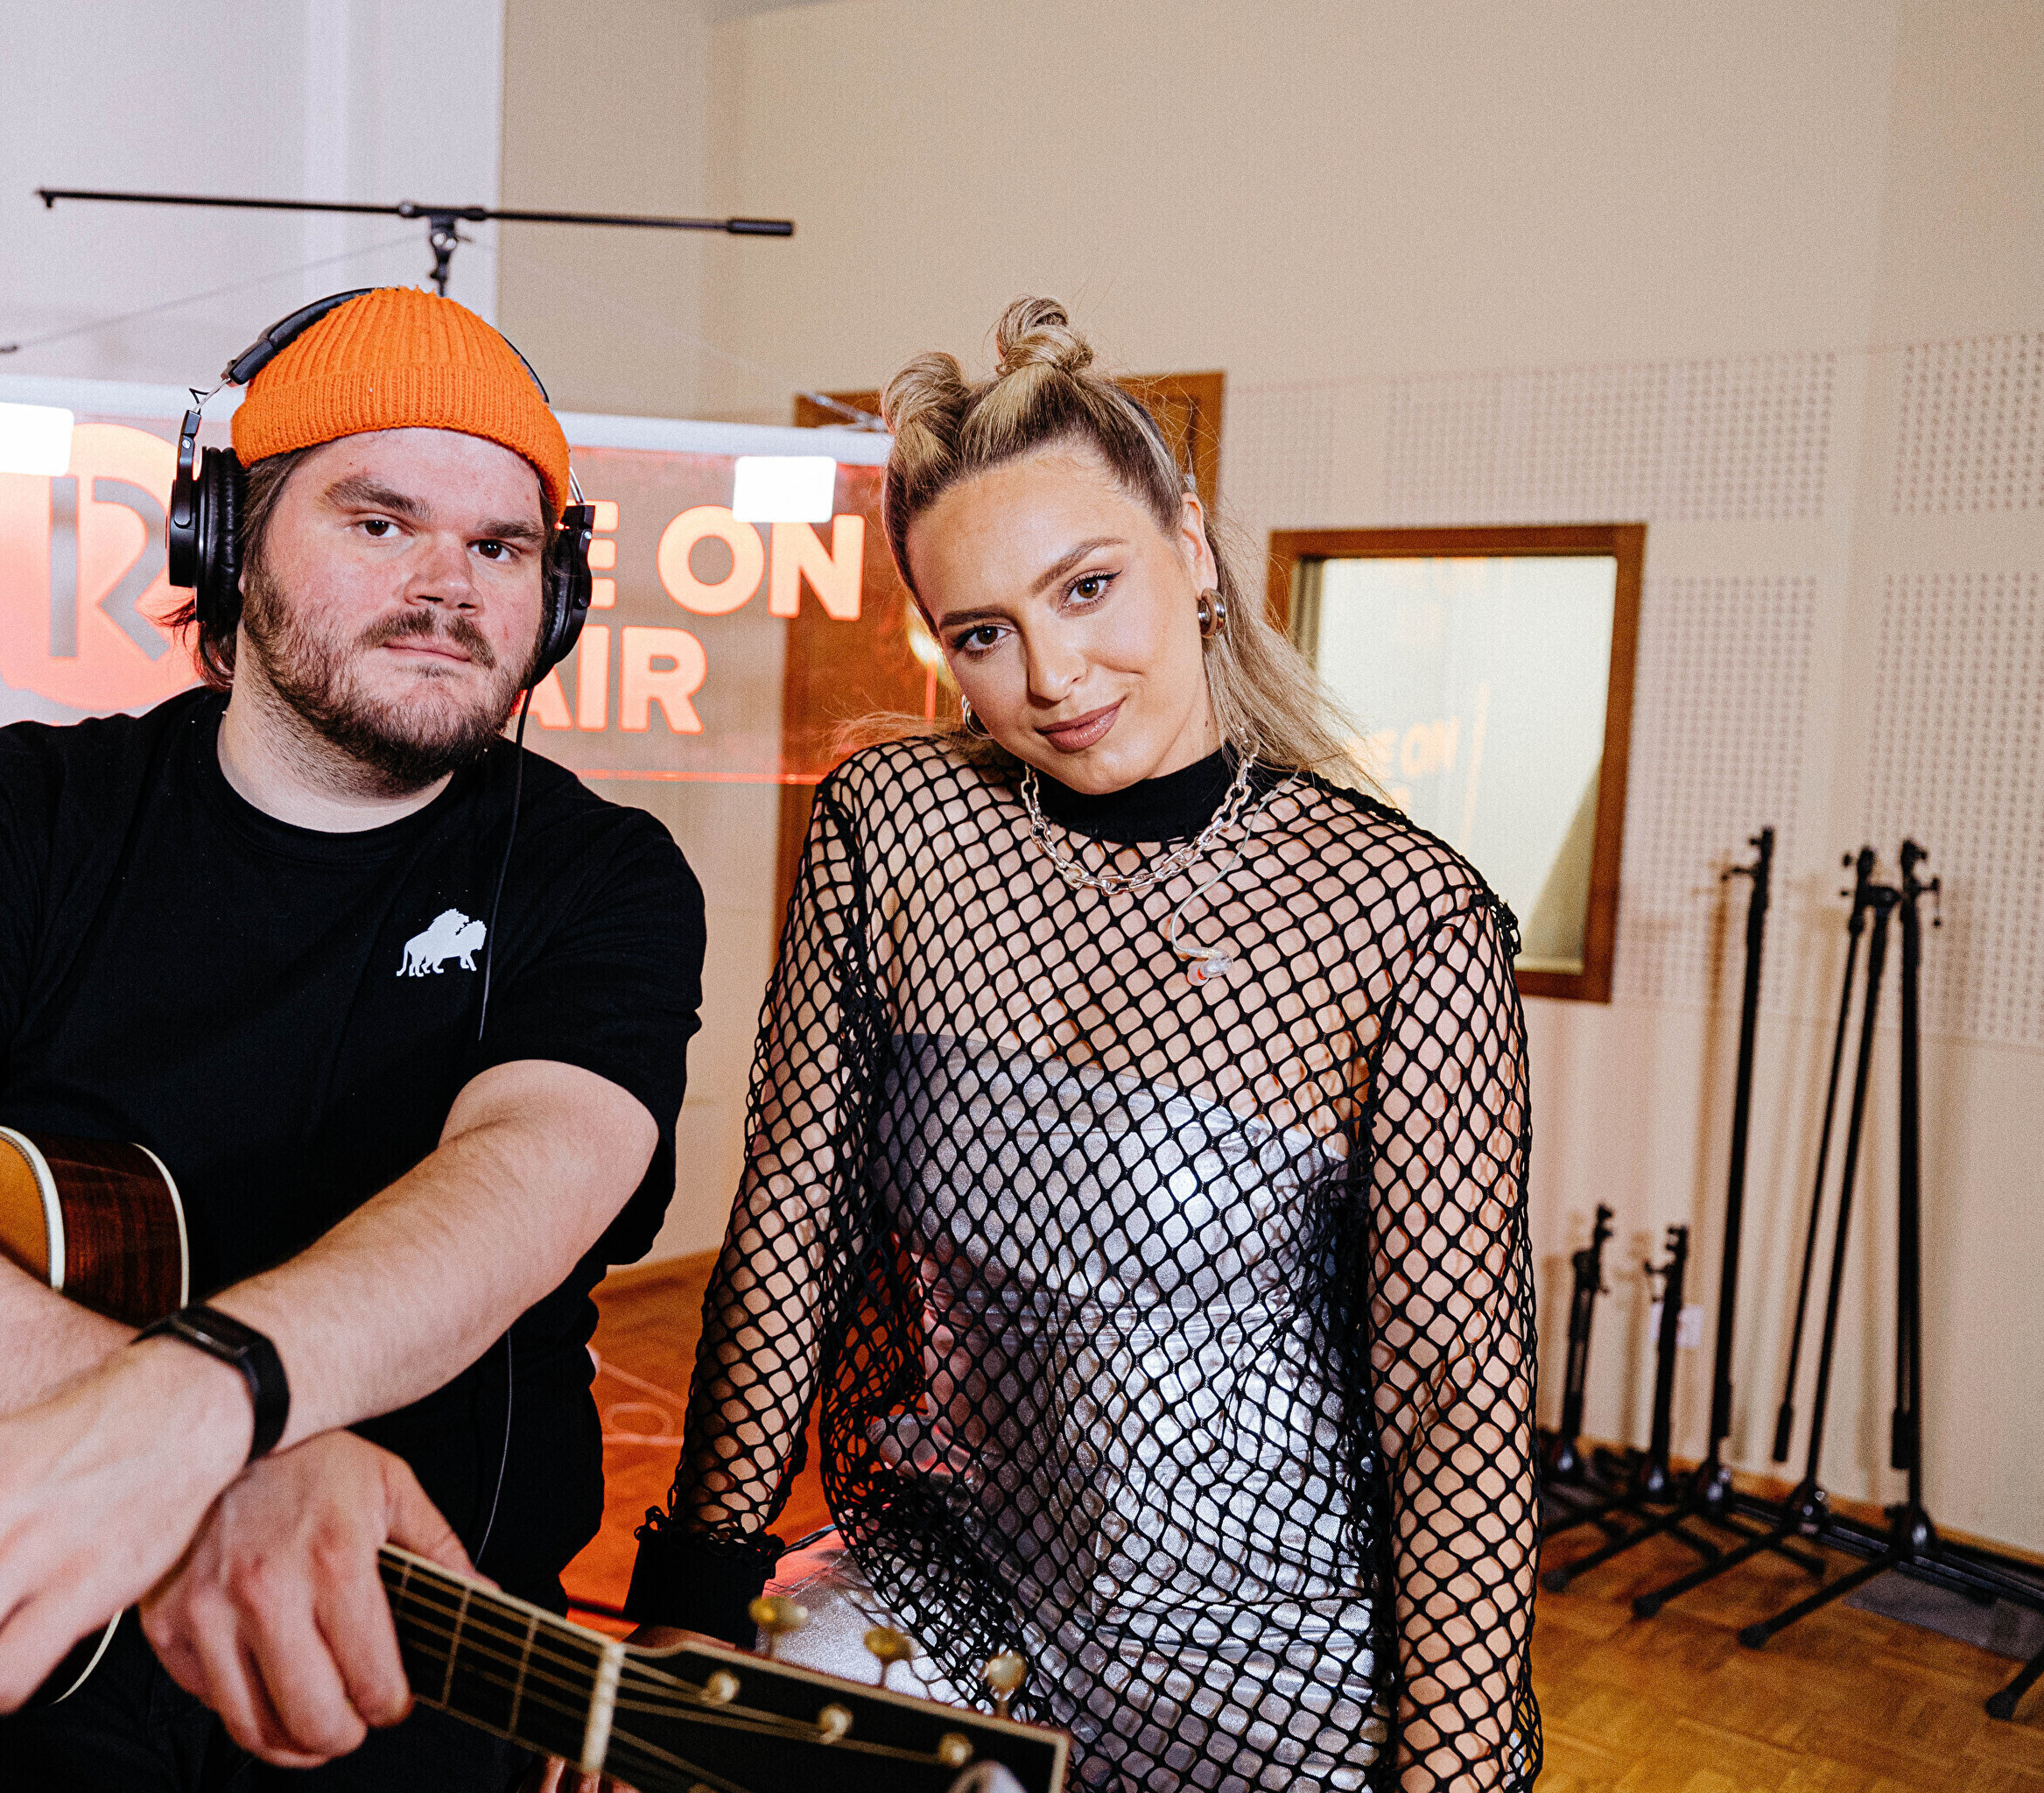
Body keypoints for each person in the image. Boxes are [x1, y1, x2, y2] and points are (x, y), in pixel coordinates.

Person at [0, 287, 706, 1790]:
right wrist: (201, 1470)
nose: (450, 582)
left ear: (556, 601)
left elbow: (532, 1173)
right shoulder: (18, 817)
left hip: (390, 1661)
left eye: (503, 548)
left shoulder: (602, 878)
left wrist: (189, 1416)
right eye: (381, 522)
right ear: (223, 541)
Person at [623, 298, 1540, 1791]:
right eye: (983, 634)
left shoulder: (1396, 913)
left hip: (1268, 1673)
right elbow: (794, 1230)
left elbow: (1451, 1388)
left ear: (1192, 549)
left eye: (1090, 587)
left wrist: (1450, 1774)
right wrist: (698, 1591)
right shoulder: (896, 828)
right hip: (942, 1606)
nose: (1051, 677)